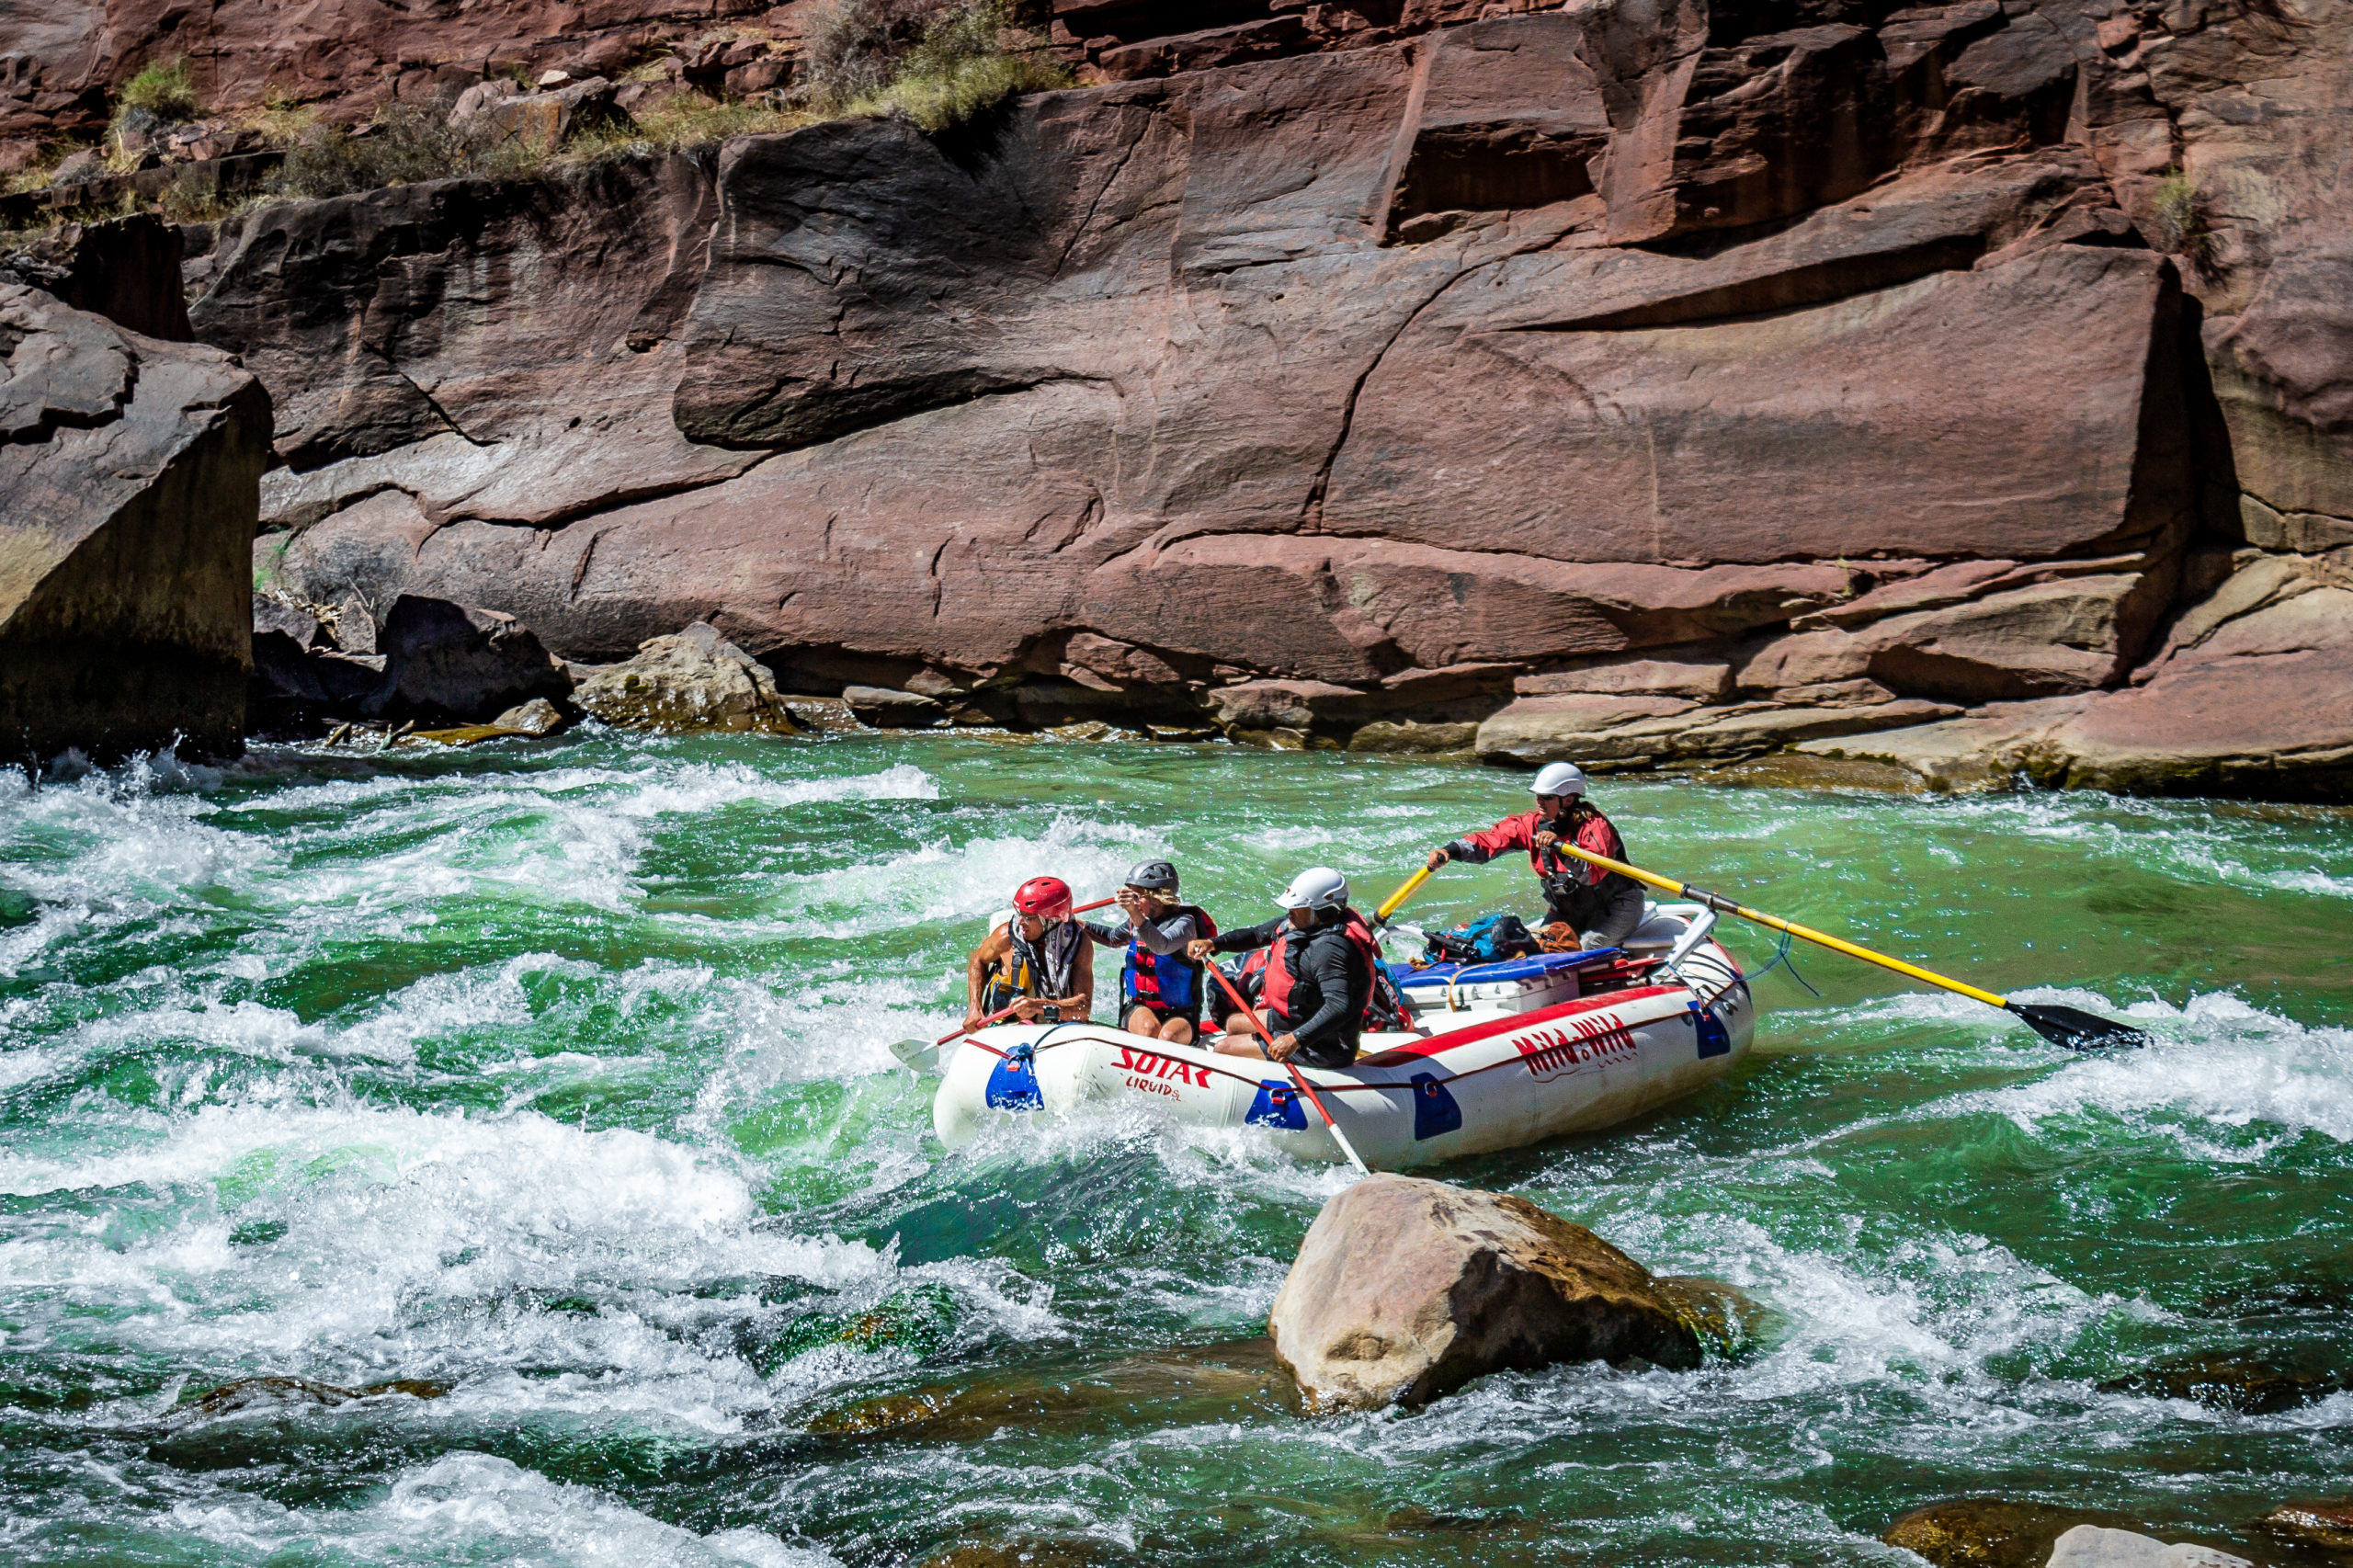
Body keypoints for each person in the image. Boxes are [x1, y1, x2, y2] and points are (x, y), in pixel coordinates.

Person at [1423, 760, 1644, 950]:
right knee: (1535, 947)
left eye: (1547, 797)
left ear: (1567, 800)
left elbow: (1591, 874)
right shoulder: (1532, 824)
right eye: (1538, 796)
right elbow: (1493, 839)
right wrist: (1450, 851)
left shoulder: (1594, 827)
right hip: (1569, 912)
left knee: (1586, 948)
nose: (1539, 801)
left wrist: (1559, 848)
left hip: (1615, 907)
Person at [1186, 867, 1381, 1068]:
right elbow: (1256, 935)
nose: (1290, 911)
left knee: (1223, 1048)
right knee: (1233, 1024)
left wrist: (1294, 1039)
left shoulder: (1330, 949)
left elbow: (1340, 1005)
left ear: (1320, 911)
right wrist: (1214, 943)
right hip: (1297, 1020)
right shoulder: (1300, 923)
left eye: (1298, 907)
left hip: (1320, 1045)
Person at [1082, 859, 1218, 1045]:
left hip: (1181, 1013)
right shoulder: (1136, 921)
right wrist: (1076, 923)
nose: (1134, 903)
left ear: (1159, 898)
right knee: (1149, 1029)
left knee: (1168, 1038)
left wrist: (1133, 912)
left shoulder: (1185, 923)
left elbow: (1161, 946)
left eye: (1138, 897)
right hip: (1139, 1007)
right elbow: (1113, 938)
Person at [964, 876, 1094, 1029]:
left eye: (1028, 917)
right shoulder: (1006, 937)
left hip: (1054, 1031)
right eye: (1020, 914)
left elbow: (1083, 1009)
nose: (1019, 922)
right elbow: (977, 960)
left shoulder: (1078, 944)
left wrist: (1039, 1006)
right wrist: (975, 1007)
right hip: (1006, 1027)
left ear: (1051, 920)